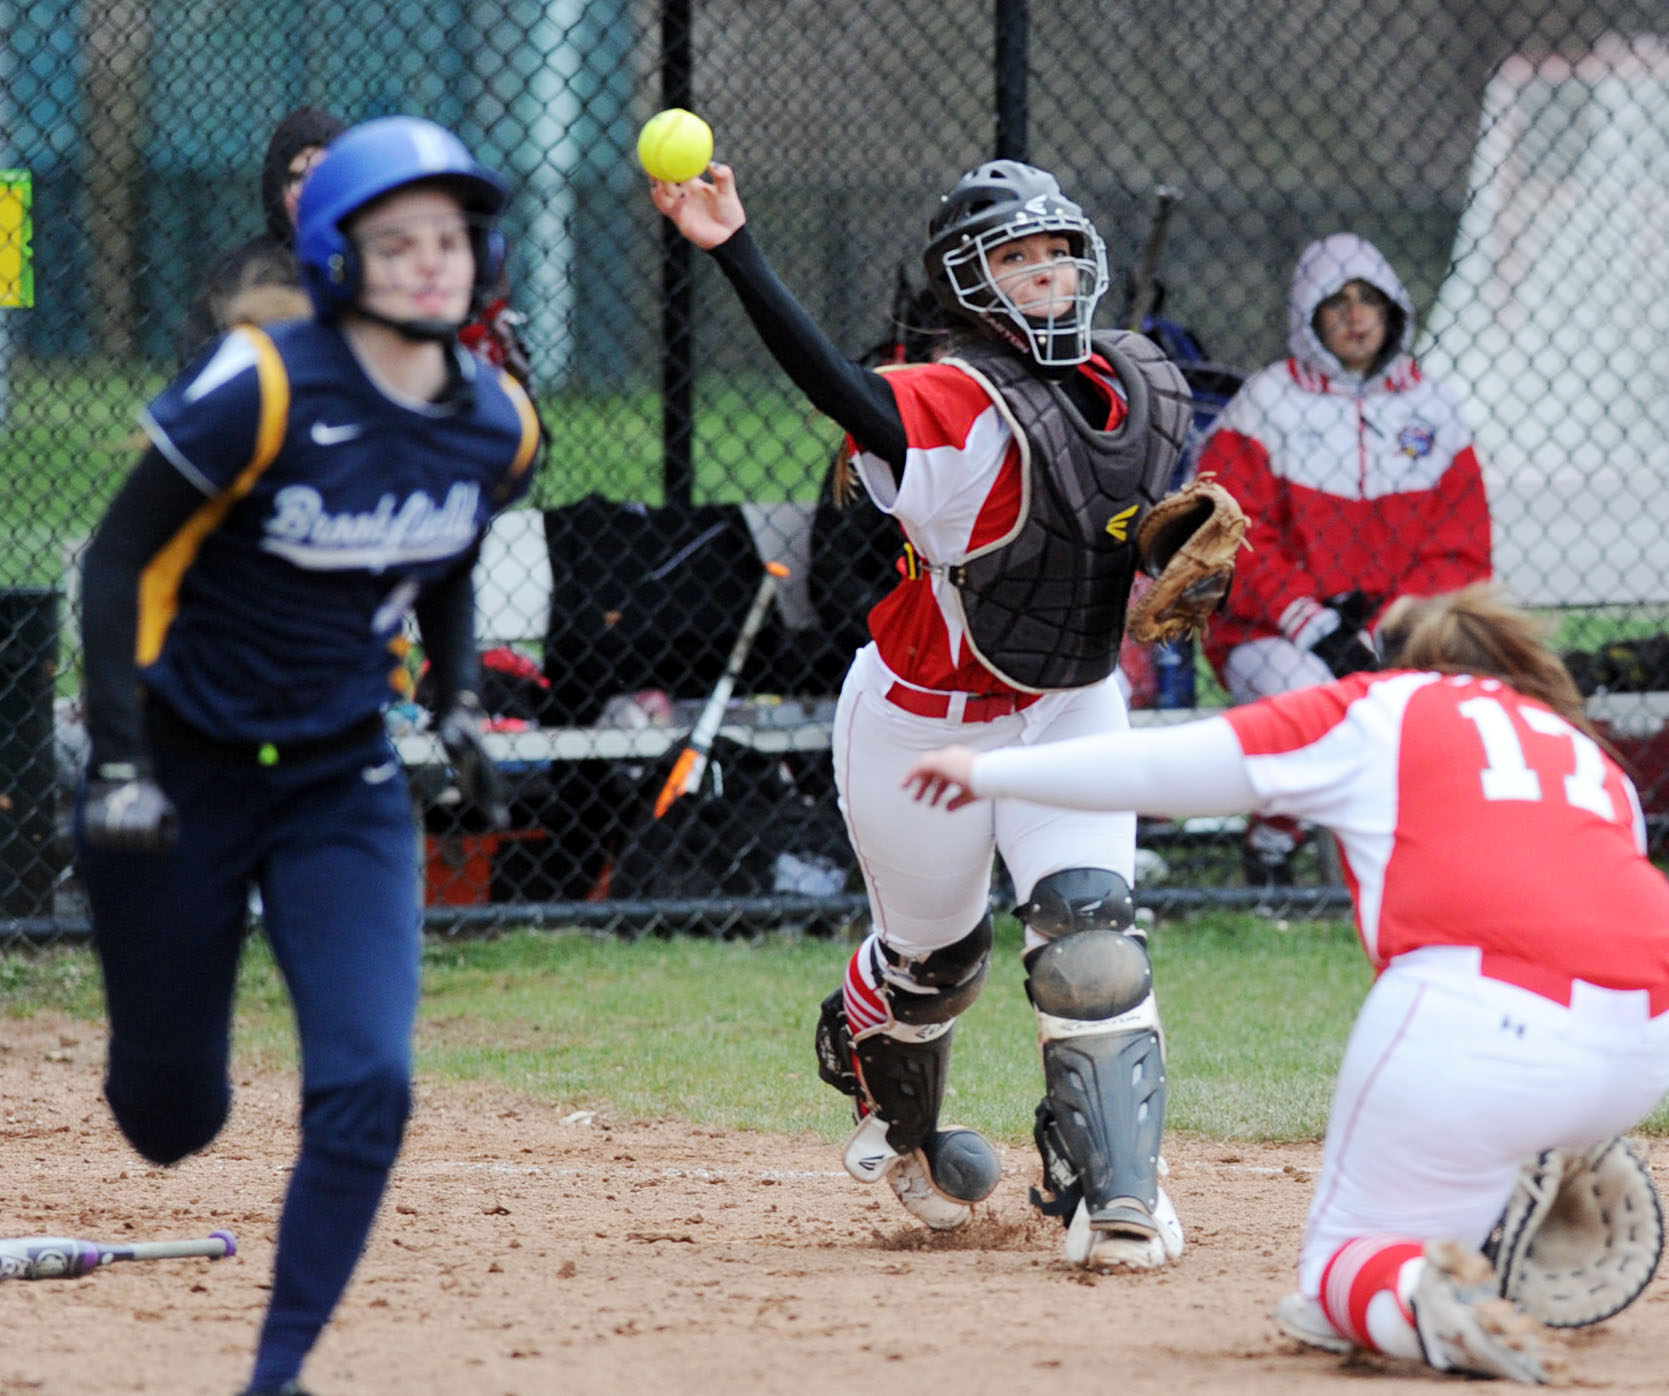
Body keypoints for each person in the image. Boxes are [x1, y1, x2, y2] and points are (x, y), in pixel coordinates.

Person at [904, 582, 1669, 1384]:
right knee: (1379, 1252)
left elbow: (1180, 764)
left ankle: (1421, 1298)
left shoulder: (1381, 706)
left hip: (1476, 1017)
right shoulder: (1579, 750)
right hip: (1640, 1042)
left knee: (1338, 1275)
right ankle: (1502, 1192)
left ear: (1397, 663)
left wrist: (989, 773)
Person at [651, 158, 1198, 1271]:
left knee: (1092, 932)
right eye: (1014, 258)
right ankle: (886, 1089)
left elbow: (1119, 514)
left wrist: (1171, 549)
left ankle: (1121, 1193)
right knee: (933, 967)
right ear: (970, 284)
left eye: (1057, 254)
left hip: (1069, 702)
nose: (1044, 275)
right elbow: (838, 388)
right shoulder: (946, 401)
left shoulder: (1140, 380)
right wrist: (735, 251)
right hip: (925, 724)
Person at [74, 115, 542, 1396]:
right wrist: (117, 762)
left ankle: (273, 1375)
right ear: (338, 255)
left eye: (449, 238)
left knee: (369, 1079)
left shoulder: (497, 418)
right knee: (172, 1119)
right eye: (398, 241)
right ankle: (166, 1069)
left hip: (342, 779)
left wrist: (450, 706)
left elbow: (441, 557)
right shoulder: (263, 384)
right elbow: (118, 563)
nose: (433, 263)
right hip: (179, 772)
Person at [1193, 232, 1493, 885]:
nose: (1356, 317)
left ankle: (1424, 860)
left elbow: (1459, 546)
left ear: (1393, 312)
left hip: (1400, 627)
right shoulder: (1267, 402)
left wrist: (1380, 626)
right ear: (1308, 316)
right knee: (1310, 700)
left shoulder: (1432, 407)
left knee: (1440, 707)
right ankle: (1274, 843)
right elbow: (1231, 532)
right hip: (1274, 629)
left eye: (1369, 301)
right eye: (1336, 303)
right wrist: (1311, 622)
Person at [177, 107, 347, 363]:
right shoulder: (238, 273)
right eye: (297, 177)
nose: (310, 191)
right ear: (276, 187)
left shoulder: (372, 264)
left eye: (323, 176)